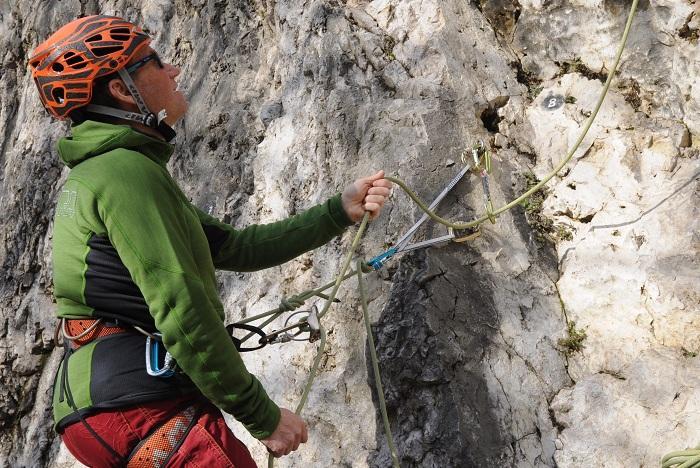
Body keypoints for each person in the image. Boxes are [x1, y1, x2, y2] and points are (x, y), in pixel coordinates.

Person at [29, 15, 392, 467]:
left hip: (105, 403)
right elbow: (181, 306)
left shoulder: (103, 175)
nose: (175, 71)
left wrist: (339, 211)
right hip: (141, 403)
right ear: (122, 90)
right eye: (155, 62)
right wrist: (262, 415)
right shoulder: (125, 175)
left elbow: (235, 247)